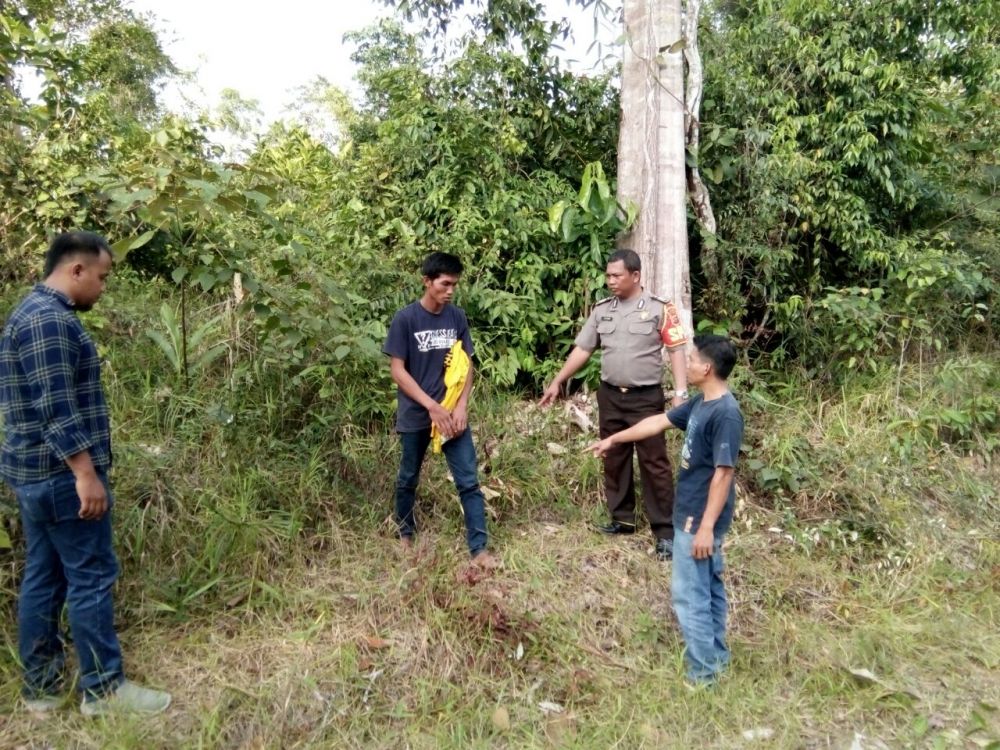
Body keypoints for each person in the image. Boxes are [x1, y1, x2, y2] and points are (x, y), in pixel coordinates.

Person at [0, 231, 171, 716]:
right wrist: (85, 473)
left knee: (43, 577)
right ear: (76, 270)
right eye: (102, 277)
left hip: (32, 473)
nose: (103, 287)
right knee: (90, 576)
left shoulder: (28, 314)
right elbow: (57, 407)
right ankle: (103, 689)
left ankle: (42, 688)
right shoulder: (50, 322)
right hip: (59, 476)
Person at [587, 335, 743, 685]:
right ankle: (715, 659)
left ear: (707, 368)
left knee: (689, 595)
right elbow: (656, 422)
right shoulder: (702, 404)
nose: (685, 365)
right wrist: (614, 439)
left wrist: (705, 528)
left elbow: (724, 473)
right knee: (709, 587)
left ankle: (703, 675)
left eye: (691, 360)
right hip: (692, 511)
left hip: (699, 517)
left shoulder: (726, 414)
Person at [540, 249, 688, 560]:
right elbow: (583, 349)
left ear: (635, 276)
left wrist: (680, 392)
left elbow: (676, 349)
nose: (610, 281)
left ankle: (665, 532)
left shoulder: (661, 309)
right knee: (614, 456)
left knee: (654, 463)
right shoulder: (602, 310)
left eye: (616, 275)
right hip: (610, 396)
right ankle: (622, 519)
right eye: (608, 275)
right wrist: (558, 380)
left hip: (646, 398)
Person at [383, 252, 496, 568]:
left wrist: (461, 406)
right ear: (427, 281)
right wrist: (431, 406)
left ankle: (479, 550)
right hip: (417, 415)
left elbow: (467, 363)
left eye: (454, 285)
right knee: (408, 477)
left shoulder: (456, 317)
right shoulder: (406, 319)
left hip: (452, 417)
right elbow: (398, 370)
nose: (450, 291)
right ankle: (405, 533)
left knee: (468, 481)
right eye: (445, 284)